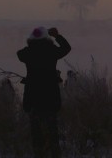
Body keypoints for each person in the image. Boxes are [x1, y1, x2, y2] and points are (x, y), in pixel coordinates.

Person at [17, 26, 71, 158]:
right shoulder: (51, 51)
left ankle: (39, 154)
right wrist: (57, 36)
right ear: (46, 38)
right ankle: (55, 154)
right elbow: (66, 48)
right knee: (52, 131)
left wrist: (32, 44)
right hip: (50, 98)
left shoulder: (28, 53)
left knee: (36, 133)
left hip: (33, 98)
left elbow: (20, 54)